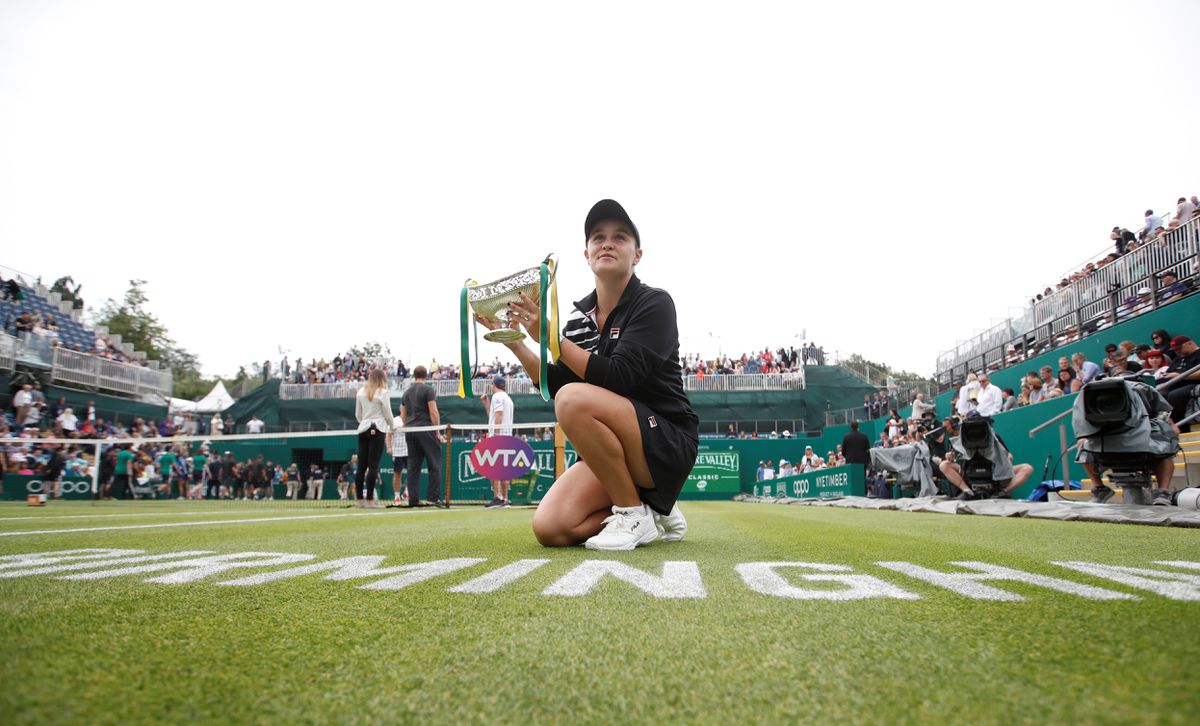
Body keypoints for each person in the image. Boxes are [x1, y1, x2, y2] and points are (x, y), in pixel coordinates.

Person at [475, 199, 697, 550]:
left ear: (637, 254)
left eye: (620, 237)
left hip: (666, 443)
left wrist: (551, 338)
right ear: (586, 253)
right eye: (598, 237)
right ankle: (652, 508)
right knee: (551, 528)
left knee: (574, 401)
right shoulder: (578, 320)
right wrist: (516, 341)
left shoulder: (655, 303)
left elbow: (619, 378)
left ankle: (631, 511)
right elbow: (558, 385)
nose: (607, 243)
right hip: (615, 450)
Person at [401, 366, 447, 508]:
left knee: (413, 468)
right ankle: (432, 499)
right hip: (426, 429)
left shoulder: (406, 393)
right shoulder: (428, 390)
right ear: (426, 375)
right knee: (435, 465)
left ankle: (413, 500)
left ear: (414, 375)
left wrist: (408, 427)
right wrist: (437, 432)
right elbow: (433, 412)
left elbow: (403, 416)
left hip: (410, 431)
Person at [353, 368, 396, 509]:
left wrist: (364, 422)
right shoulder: (383, 393)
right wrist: (393, 427)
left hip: (363, 429)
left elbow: (358, 415)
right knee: (373, 466)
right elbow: (388, 413)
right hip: (378, 429)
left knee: (361, 466)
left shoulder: (360, 392)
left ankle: (360, 500)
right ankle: (370, 500)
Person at [479, 375, 515, 509]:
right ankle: (505, 499)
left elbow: (499, 415)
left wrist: (497, 435)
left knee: (493, 467)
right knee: (504, 468)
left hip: (499, 435)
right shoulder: (507, 398)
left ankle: (498, 497)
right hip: (506, 435)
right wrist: (486, 403)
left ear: (494, 384)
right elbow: (494, 416)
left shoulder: (498, 396)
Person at [1161, 336, 1200, 431]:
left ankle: (1181, 427)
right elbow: (1170, 372)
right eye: (1175, 350)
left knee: (1175, 395)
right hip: (1175, 384)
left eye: (1179, 348)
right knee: (1159, 394)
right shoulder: (1178, 359)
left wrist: (1179, 375)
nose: (1177, 352)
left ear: (1190, 344)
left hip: (1194, 384)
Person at [385, 421, 408, 506]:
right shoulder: (395, 420)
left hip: (410, 452)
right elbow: (388, 435)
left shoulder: (412, 420)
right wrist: (389, 447)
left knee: (413, 474)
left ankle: (407, 493)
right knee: (397, 474)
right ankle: (397, 497)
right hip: (397, 452)